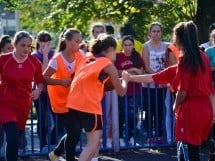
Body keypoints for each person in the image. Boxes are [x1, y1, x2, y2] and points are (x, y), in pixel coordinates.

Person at [128, 21, 214, 161]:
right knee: (190, 147)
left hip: (190, 110)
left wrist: (176, 106)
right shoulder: (202, 56)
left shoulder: (185, 59)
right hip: (205, 108)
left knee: (190, 152)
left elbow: (183, 91)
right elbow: (157, 76)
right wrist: (131, 77)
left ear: (179, 38)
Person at [66, 33, 129, 161]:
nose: (116, 54)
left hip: (73, 103)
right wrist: (126, 80)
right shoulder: (107, 64)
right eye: (115, 51)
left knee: (92, 141)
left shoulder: (88, 59)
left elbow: (92, 80)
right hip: (89, 105)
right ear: (110, 49)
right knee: (93, 143)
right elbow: (121, 91)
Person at [0, 31, 43, 161]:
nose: (26, 49)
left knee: (15, 139)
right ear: (15, 45)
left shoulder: (34, 62)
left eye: (29, 46)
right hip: (5, 103)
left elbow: (40, 80)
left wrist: (38, 91)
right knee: (12, 136)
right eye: (23, 45)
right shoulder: (3, 60)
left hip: (23, 104)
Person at [43, 28, 83, 161]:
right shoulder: (56, 59)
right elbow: (44, 78)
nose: (79, 44)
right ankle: (70, 158)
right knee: (74, 131)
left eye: (80, 41)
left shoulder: (80, 55)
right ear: (67, 41)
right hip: (60, 102)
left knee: (75, 131)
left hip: (76, 100)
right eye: (77, 41)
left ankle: (55, 154)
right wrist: (61, 82)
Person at [141, 22, 169, 143]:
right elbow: (146, 66)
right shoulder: (146, 46)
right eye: (154, 31)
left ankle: (160, 135)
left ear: (161, 33)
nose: (156, 33)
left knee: (161, 110)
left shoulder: (167, 46)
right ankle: (149, 136)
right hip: (149, 84)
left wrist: (163, 79)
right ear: (149, 33)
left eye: (158, 31)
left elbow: (169, 64)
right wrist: (158, 78)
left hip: (163, 85)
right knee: (149, 110)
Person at [115, 35, 144, 146]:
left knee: (133, 115)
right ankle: (121, 138)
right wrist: (131, 71)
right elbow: (116, 72)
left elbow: (141, 72)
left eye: (130, 45)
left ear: (133, 46)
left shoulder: (137, 56)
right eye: (125, 45)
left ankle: (131, 137)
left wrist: (129, 70)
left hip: (135, 90)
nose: (128, 47)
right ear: (122, 46)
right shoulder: (118, 56)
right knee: (122, 114)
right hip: (122, 89)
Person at [31, 30, 56, 150]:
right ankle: (43, 144)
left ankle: (53, 141)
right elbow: (43, 73)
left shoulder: (55, 54)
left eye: (47, 41)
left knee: (57, 117)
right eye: (42, 41)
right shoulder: (34, 56)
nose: (44, 43)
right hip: (40, 90)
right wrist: (45, 55)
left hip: (53, 90)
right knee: (42, 118)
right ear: (38, 41)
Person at [0, 35, 13, 156]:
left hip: (11, 103)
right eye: (9, 48)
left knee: (12, 133)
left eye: (12, 48)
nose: (11, 51)